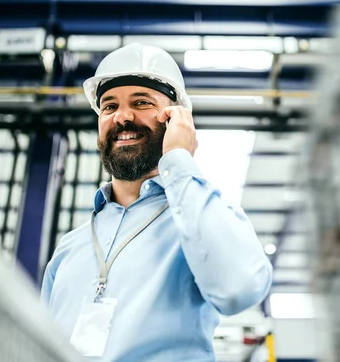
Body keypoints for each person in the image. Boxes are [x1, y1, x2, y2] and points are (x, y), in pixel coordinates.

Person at [41, 43, 273, 362]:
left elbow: (239, 289)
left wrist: (178, 160)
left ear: (175, 118)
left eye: (141, 102)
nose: (122, 116)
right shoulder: (69, 248)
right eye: (109, 106)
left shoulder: (201, 219)